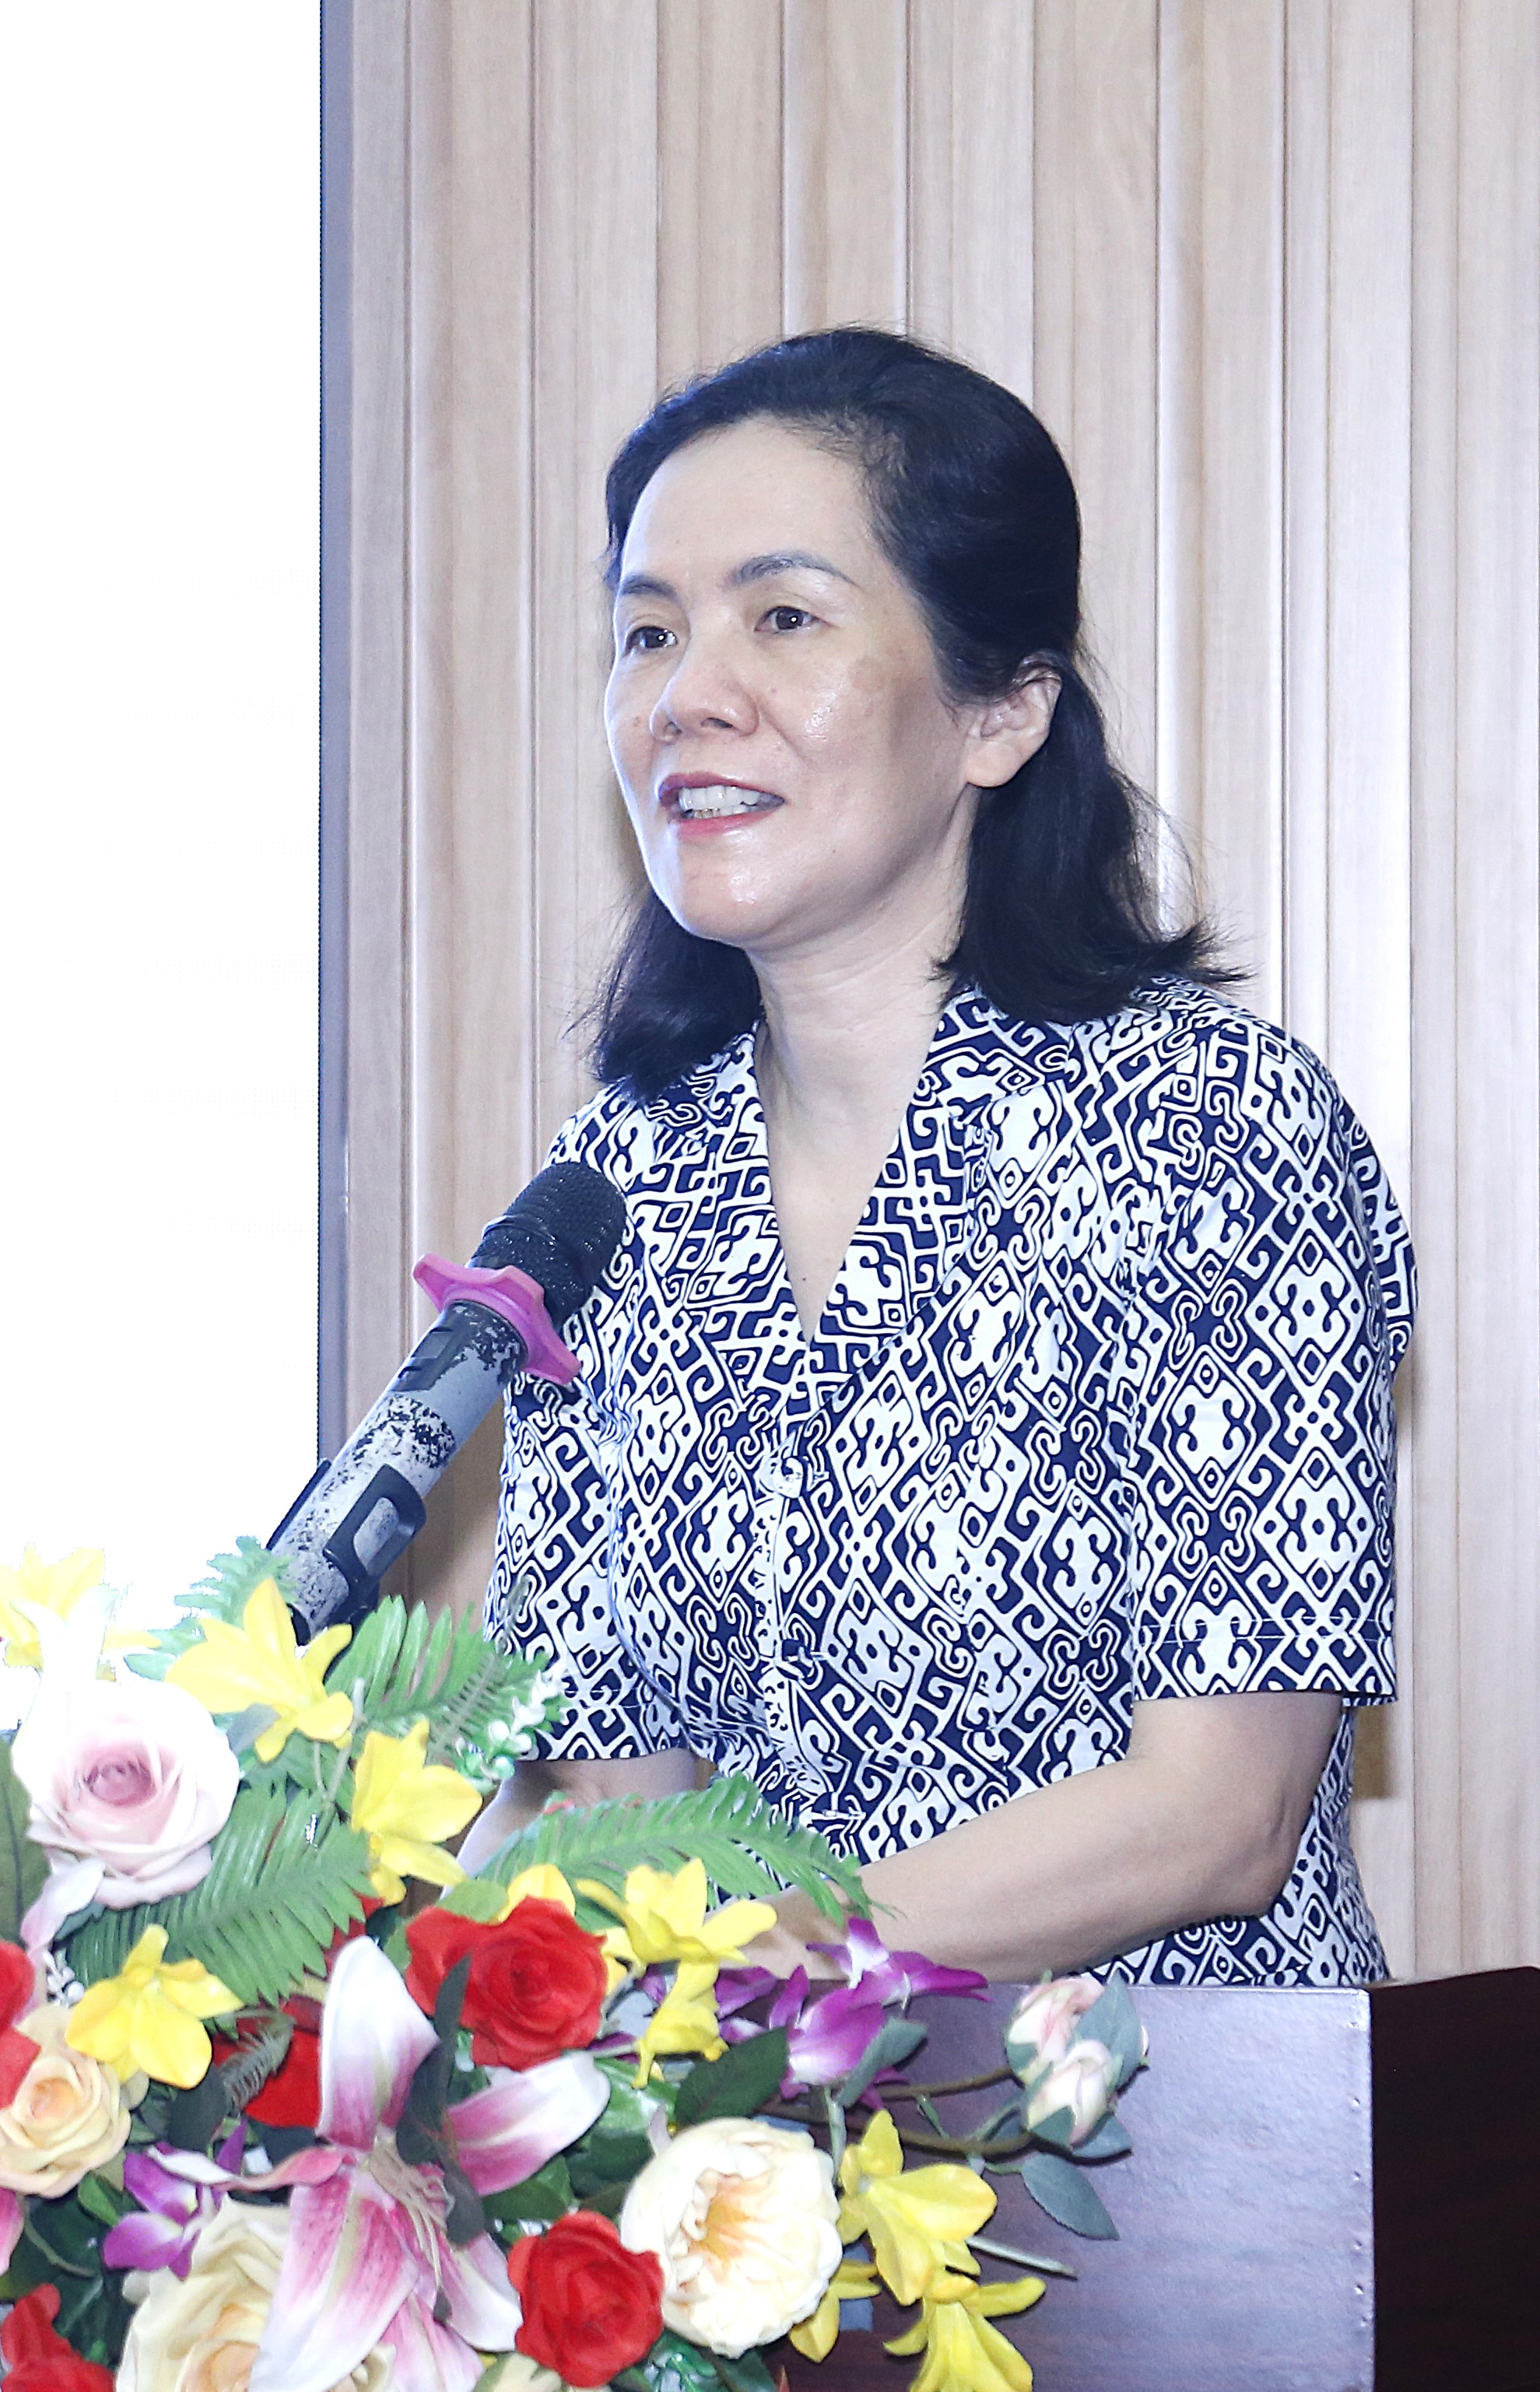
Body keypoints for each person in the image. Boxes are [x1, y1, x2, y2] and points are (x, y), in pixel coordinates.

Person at [463, 329, 1412, 1985]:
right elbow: (611, 1802)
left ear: (1000, 711)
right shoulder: (613, 1185)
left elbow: (1216, 1812)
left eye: (782, 617)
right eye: (647, 630)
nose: (686, 694)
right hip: (738, 2134)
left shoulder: (1209, 1125)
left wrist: (740, 1964)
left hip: (1171, 2117)